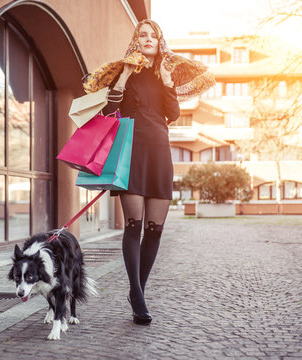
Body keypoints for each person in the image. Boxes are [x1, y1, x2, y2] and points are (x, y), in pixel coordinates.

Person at [82, 19, 215, 325]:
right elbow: (109, 111)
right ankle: (138, 295)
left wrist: (167, 82)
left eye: (152, 35)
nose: (147, 39)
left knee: (155, 229)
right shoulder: (126, 72)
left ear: (159, 40)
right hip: (131, 153)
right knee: (133, 224)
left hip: (159, 154)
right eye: (142, 35)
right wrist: (124, 76)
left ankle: (137, 291)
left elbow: (173, 114)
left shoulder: (164, 74)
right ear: (135, 41)